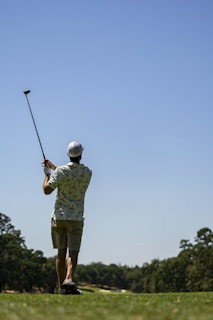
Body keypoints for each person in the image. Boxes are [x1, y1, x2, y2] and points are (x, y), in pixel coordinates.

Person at [42, 141, 92, 294]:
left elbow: (46, 190)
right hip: (75, 217)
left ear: (67, 155)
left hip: (59, 217)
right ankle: (68, 279)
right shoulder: (87, 172)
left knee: (61, 252)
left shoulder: (61, 172)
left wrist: (47, 174)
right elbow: (71, 176)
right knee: (73, 252)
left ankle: (60, 287)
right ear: (81, 155)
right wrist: (53, 168)